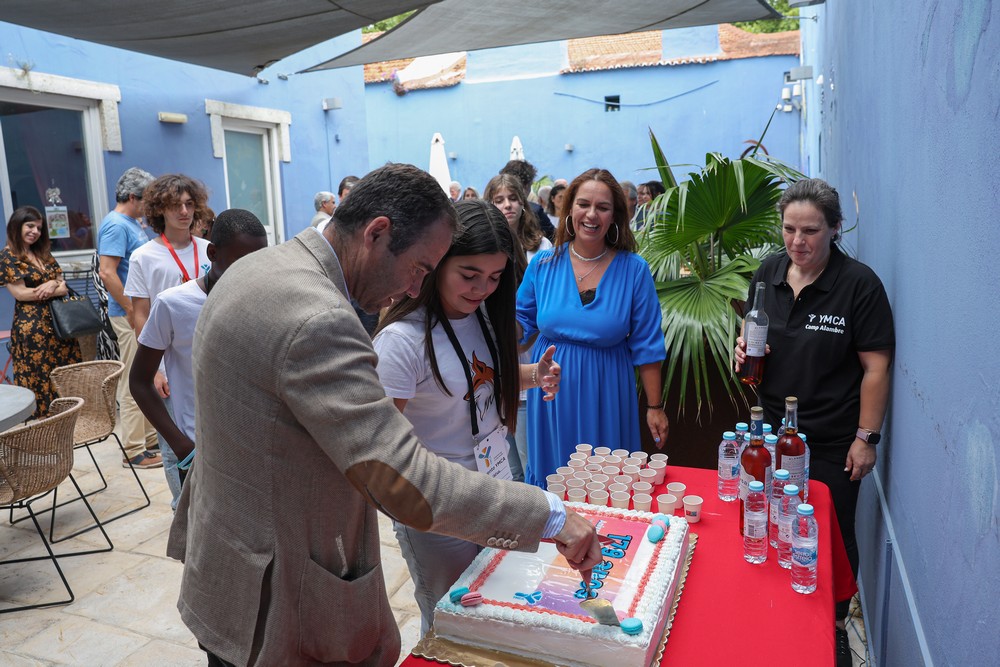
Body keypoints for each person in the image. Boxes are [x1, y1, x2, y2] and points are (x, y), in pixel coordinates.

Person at [166, 163, 601, 667]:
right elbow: (400, 478)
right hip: (277, 588)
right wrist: (548, 516)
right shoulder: (319, 319)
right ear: (377, 233)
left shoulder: (255, 268)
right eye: (419, 267)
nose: (417, 288)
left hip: (227, 566)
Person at [373, 199, 561, 633]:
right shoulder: (401, 342)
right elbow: (384, 450)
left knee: (498, 607)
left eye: (495, 277)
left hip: (495, 486)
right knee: (449, 621)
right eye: (469, 275)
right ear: (437, 262)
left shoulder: (483, 318)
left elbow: (475, 384)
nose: (482, 289)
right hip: (438, 509)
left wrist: (533, 375)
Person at [733, 178, 894, 666]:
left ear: (835, 229)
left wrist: (866, 440)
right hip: (770, 432)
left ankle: (833, 624)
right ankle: (775, 616)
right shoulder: (769, 271)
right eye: (789, 229)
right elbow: (753, 328)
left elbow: (876, 367)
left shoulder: (858, 284)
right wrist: (742, 349)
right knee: (764, 521)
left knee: (831, 537)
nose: (797, 242)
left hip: (828, 440)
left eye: (811, 231)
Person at [516, 168, 669, 487]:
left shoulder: (634, 270)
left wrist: (655, 407)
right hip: (551, 395)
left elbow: (647, 344)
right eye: (584, 204)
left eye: (603, 207)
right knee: (554, 482)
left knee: (608, 484)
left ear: (615, 215)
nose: (592, 214)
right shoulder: (542, 266)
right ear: (568, 208)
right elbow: (520, 324)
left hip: (607, 391)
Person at [130, 209, 268, 494]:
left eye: (260, 262)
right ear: (213, 254)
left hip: (252, 448)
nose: (251, 272)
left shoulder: (262, 300)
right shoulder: (173, 304)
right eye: (241, 262)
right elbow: (139, 382)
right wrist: (182, 447)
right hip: (199, 452)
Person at [124, 174, 212, 505]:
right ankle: (183, 508)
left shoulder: (209, 250)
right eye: (176, 205)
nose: (184, 211)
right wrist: (156, 368)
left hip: (206, 358)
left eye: (190, 204)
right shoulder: (144, 256)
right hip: (168, 359)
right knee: (175, 442)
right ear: (160, 209)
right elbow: (141, 315)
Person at [484, 173, 554, 481]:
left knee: (529, 456)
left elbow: (545, 309)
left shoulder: (541, 249)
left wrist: (522, 341)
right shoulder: (483, 248)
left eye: (512, 198)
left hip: (526, 357)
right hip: (492, 358)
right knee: (502, 460)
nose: (507, 205)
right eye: (498, 200)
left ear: (523, 204)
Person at [97, 167, 162, 469]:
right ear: (134, 197)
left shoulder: (131, 223)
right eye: (147, 199)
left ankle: (149, 442)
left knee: (147, 374)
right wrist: (132, 311)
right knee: (135, 377)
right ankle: (134, 449)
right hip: (129, 314)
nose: (150, 206)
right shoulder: (115, 225)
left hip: (138, 312)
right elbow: (107, 272)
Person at [0, 206, 81, 417]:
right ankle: (46, 427)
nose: (35, 231)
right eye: (30, 226)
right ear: (17, 226)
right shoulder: (7, 255)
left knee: (65, 372)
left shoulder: (42, 252)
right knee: (40, 376)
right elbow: (20, 294)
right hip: (32, 329)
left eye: (38, 227)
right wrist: (51, 286)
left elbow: (63, 286)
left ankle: (68, 420)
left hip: (59, 324)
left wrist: (53, 284)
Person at [500, 159, 555, 241]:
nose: (508, 205)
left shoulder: (489, 212)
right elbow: (553, 238)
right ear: (527, 185)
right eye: (499, 200)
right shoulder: (535, 211)